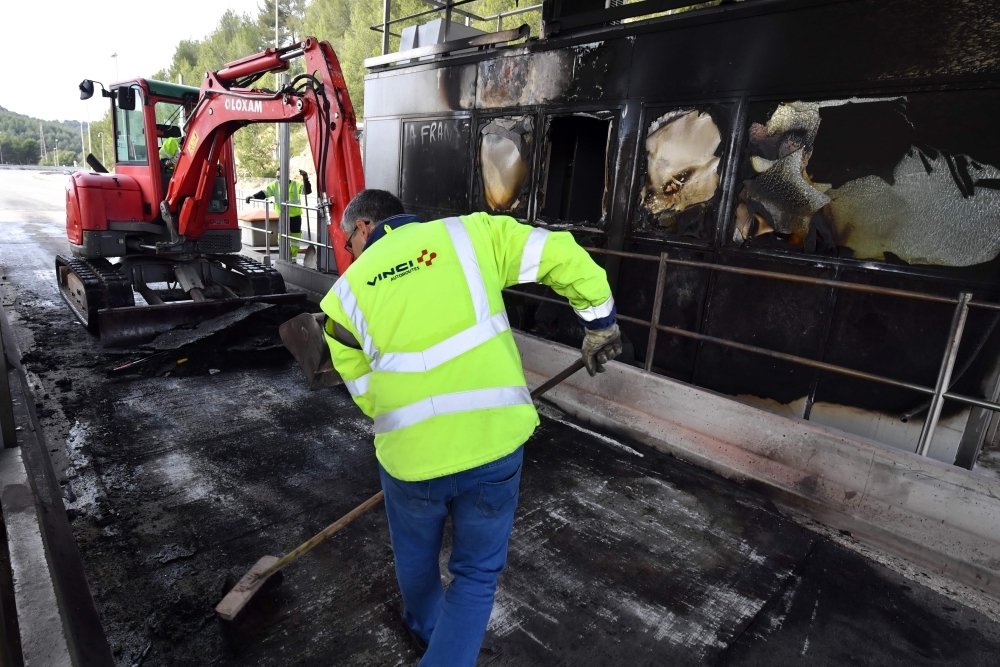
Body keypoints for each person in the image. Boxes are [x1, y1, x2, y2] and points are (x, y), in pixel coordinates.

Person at [318, 189, 622, 666]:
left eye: (346, 242)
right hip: (493, 445)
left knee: (415, 560)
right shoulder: (471, 234)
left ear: (362, 229)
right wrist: (599, 321)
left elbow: (366, 395)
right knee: (476, 577)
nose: (349, 255)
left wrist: (416, 420)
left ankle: (424, 629)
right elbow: (560, 254)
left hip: (411, 460)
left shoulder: (342, 302)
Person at [246, 168, 313, 259]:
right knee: (281, 238)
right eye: (277, 177)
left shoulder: (295, 184)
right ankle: (284, 256)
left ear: (286, 176)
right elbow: (264, 193)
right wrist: (253, 196)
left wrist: (305, 177)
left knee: (295, 239)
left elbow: (307, 191)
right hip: (283, 217)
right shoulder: (274, 186)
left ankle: (293, 258)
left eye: (280, 177)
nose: (278, 179)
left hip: (295, 217)